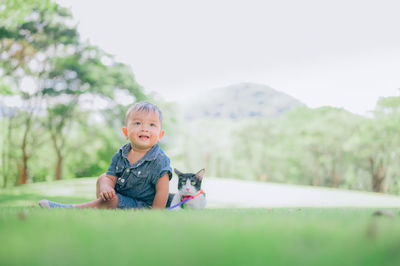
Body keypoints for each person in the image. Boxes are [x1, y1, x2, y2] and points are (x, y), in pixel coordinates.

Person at [39, 101, 173, 210]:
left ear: (160, 135)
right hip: (120, 198)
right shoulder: (121, 154)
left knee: (113, 200)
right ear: (126, 132)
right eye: (138, 123)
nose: (145, 128)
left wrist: (155, 214)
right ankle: (103, 207)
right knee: (103, 178)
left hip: (143, 206)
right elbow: (110, 177)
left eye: (152, 124)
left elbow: (162, 191)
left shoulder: (159, 160)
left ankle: (70, 208)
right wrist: (106, 187)